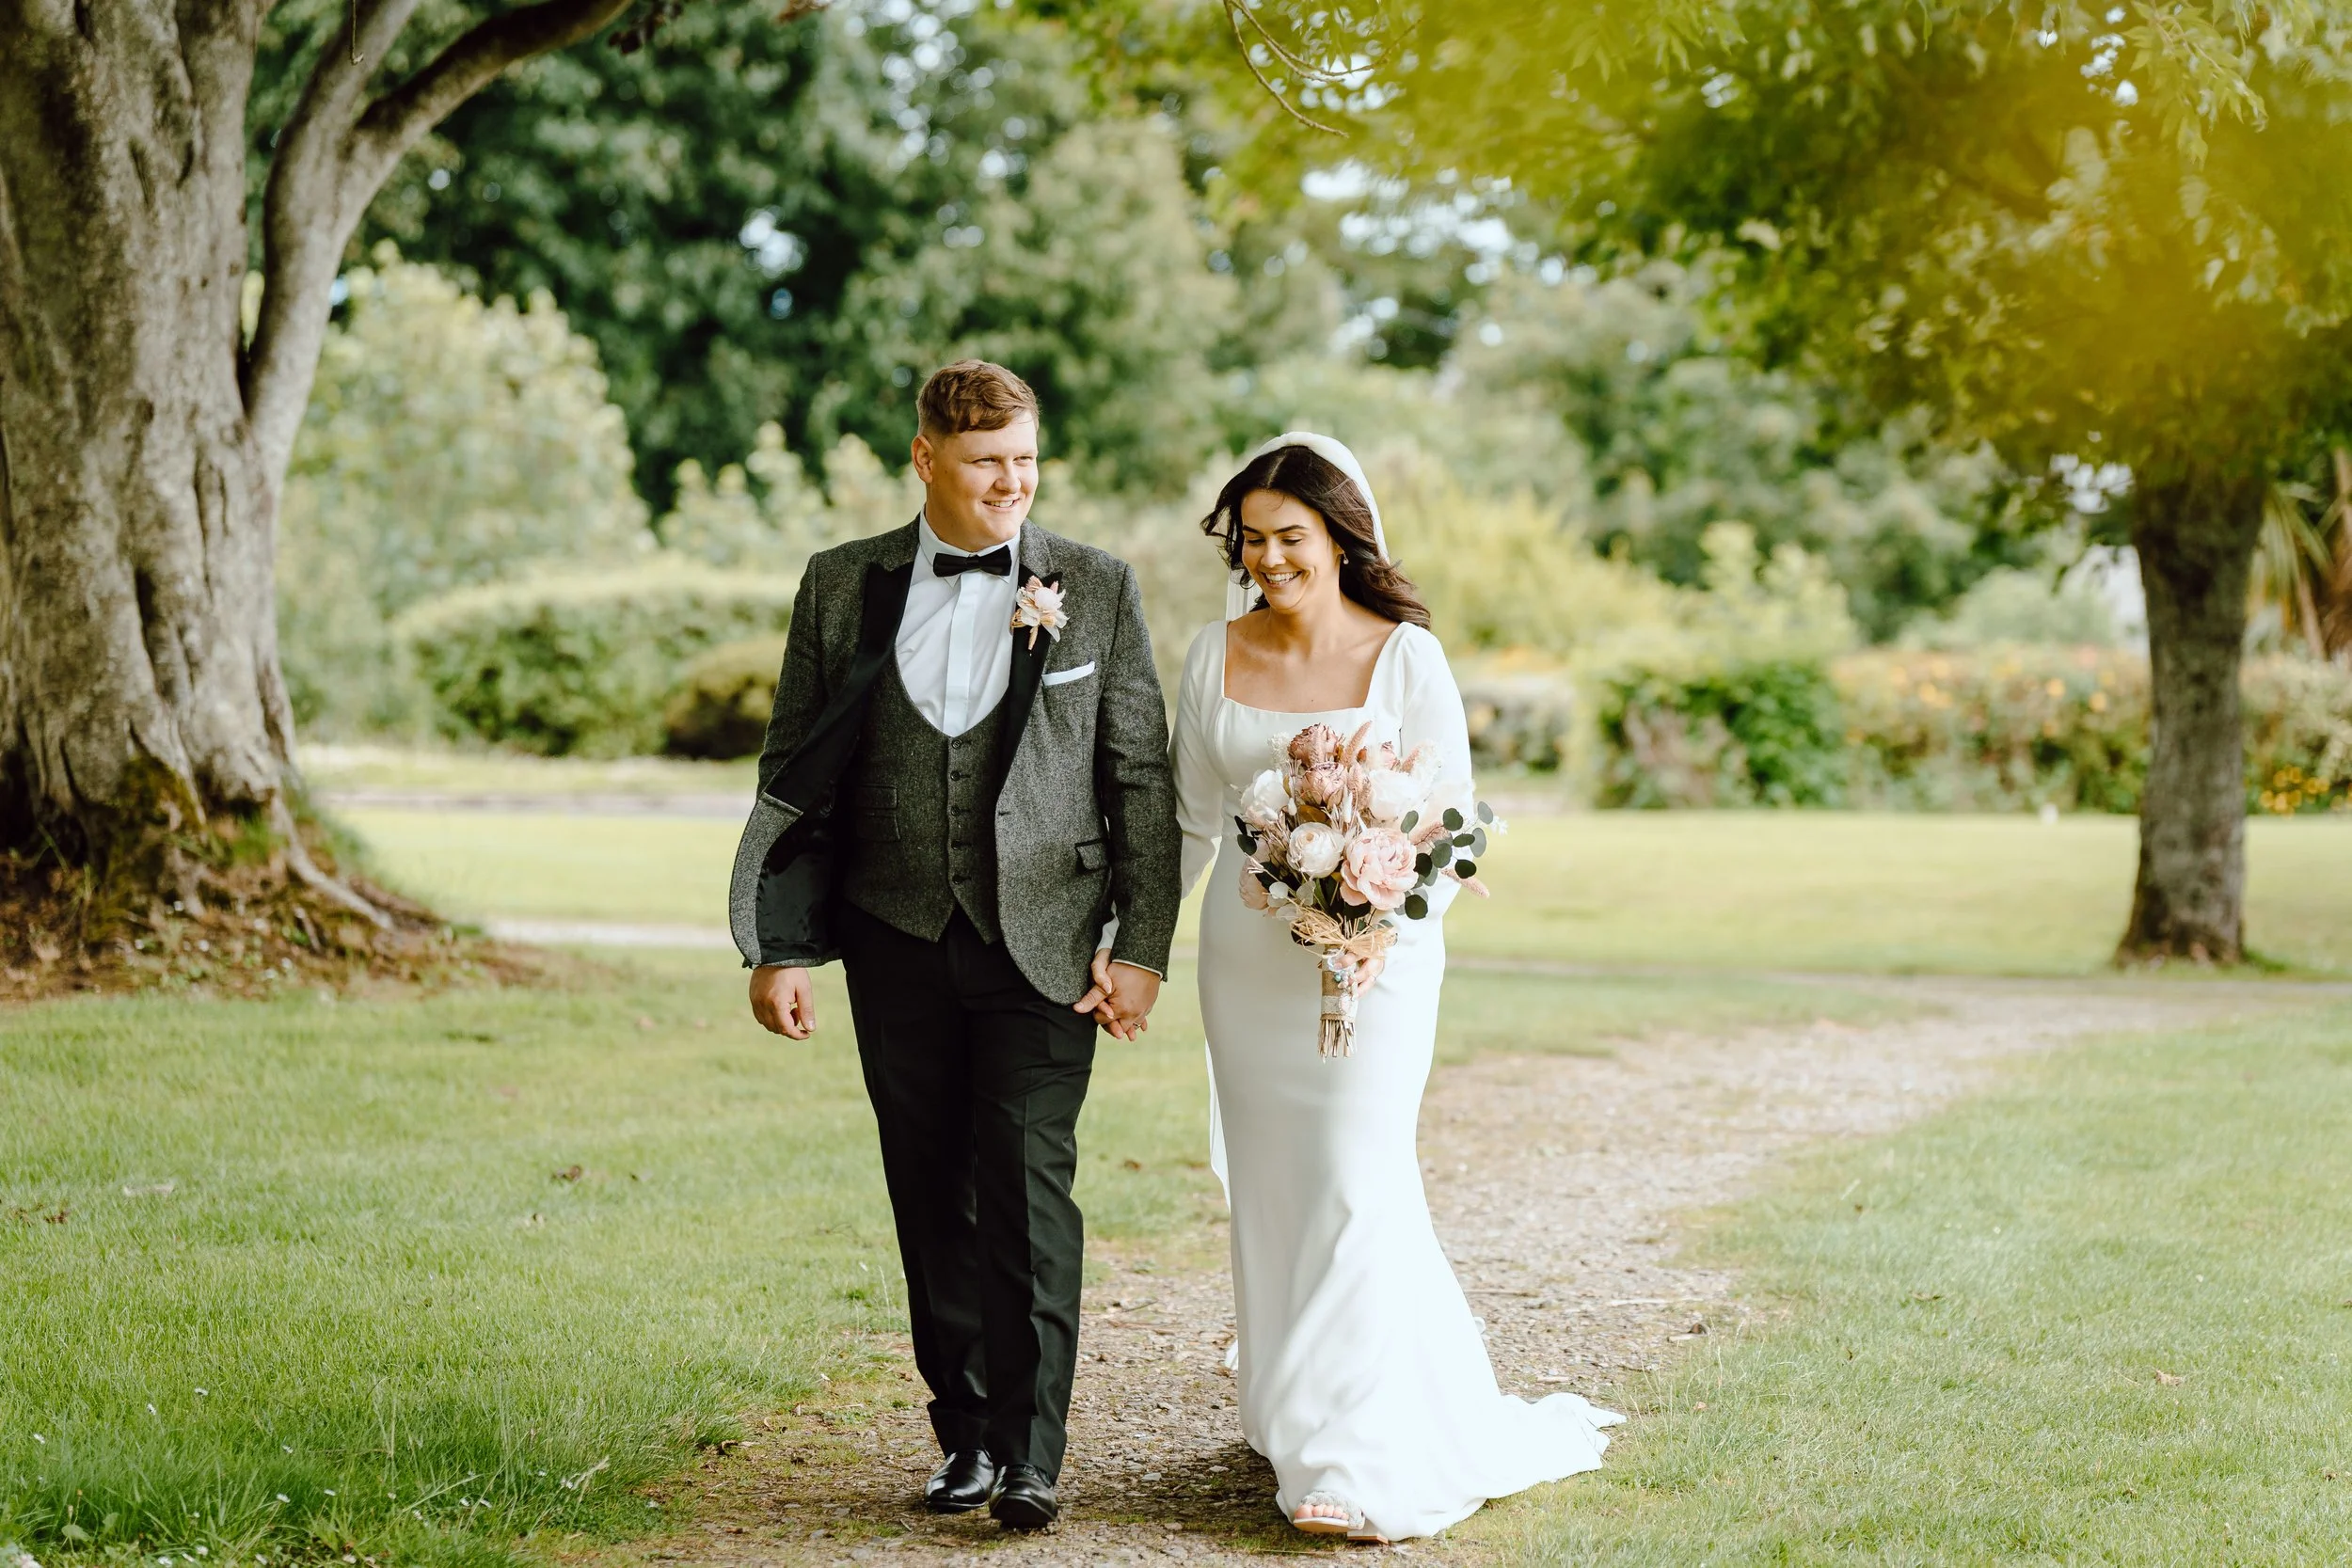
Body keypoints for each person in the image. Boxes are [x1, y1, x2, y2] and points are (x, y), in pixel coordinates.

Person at [728, 360, 1182, 1530]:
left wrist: (1143, 945)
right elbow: (796, 767)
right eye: (987, 462)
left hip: (1047, 941)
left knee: (1026, 1183)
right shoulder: (840, 586)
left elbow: (1139, 772)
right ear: (925, 457)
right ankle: (966, 1434)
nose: (1012, 483)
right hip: (893, 932)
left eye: (1027, 460)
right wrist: (777, 943)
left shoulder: (1095, 584)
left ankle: (1032, 1454)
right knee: (928, 1186)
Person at [1168, 434, 1622, 1543]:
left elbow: (1453, 828)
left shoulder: (1404, 656)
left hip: (1377, 961)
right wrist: (1133, 947)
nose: (1269, 558)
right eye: (1253, 537)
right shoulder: (1208, 651)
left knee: (1354, 1170)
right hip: (1244, 953)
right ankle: (1289, 1405)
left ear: (1338, 537)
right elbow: (1184, 821)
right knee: (1276, 1179)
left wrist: (1376, 924)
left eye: (1292, 537)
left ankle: (1351, 1453)